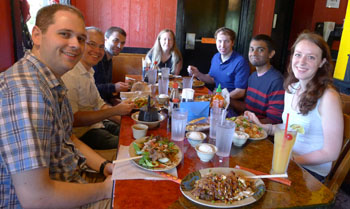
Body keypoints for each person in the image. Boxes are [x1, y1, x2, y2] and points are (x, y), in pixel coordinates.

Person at [0, 5, 114, 208]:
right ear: (37, 35)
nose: (76, 45)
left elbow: (68, 138)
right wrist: (106, 190)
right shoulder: (27, 93)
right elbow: (37, 198)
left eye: (80, 38)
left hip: (75, 183)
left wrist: (105, 166)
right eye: (64, 34)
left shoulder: (51, 81)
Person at [245, 32, 343, 181]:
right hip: (285, 162)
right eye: (298, 55)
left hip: (310, 174)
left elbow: (331, 153)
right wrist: (263, 127)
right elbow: (288, 127)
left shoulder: (329, 97)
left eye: (311, 57)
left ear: (322, 62)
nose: (301, 62)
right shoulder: (291, 88)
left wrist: (291, 160)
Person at [62, 26, 134, 150]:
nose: (98, 50)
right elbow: (73, 120)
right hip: (81, 134)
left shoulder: (89, 71)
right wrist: (115, 110)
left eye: (101, 47)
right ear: (80, 44)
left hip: (97, 123)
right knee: (130, 144)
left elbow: (100, 104)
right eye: (92, 44)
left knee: (132, 133)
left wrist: (129, 123)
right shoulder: (70, 74)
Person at [187, 27, 250, 100]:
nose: (222, 45)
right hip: (215, 97)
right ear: (216, 42)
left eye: (226, 41)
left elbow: (240, 92)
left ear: (232, 43)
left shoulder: (240, 62)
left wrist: (219, 99)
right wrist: (198, 74)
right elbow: (212, 79)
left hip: (230, 102)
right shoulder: (216, 57)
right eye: (220, 41)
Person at [244, 34, 284, 124]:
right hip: (247, 127)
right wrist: (227, 99)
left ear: (271, 54)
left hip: (262, 133)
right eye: (251, 49)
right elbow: (248, 107)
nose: (254, 53)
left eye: (260, 50)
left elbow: (273, 120)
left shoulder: (277, 81)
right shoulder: (252, 77)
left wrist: (244, 124)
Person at [93, 26, 129, 104]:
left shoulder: (109, 59)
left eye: (122, 43)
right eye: (116, 40)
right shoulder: (96, 59)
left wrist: (113, 99)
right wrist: (114, 87)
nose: (119, 46)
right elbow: (91, 88)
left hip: (104, 102)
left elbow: (105, 86)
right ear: (105, 40)